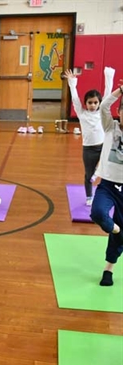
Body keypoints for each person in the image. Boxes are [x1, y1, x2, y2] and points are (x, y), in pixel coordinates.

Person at [90, 67, 123, 287]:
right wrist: (120, 90)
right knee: (98, 213)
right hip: (109, 185)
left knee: (117, 240)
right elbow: (104, 106)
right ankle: (118, 230)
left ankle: (108, 270)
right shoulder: (111, 127)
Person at [64, 69, 106, 206]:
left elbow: (108, 94)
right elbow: (75, 98)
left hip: (103, 146)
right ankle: (89, 196)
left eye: (95, 102)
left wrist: (109, 76)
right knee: (88, 174)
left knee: (106, 169)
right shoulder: (82, 114)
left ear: (99, 103)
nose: (93, 105)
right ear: (86, 103)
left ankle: (100, 175)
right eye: (90, 102)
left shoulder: (102, 113)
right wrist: (72, 82)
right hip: (88, 149)